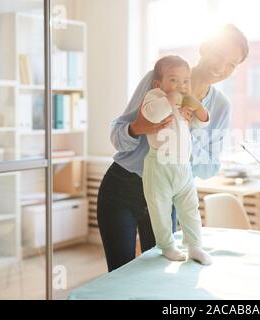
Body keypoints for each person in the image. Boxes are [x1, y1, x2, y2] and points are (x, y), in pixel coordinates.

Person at [97, 24, 249, 272]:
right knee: (119, 274)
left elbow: (210, 166)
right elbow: (117, 132)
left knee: (163, 273)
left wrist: (188, 135)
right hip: (122, 188)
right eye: (219, 54)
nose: (222, 67)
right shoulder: (158, 80)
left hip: (170, 191)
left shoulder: (220, 107)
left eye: (232, 64)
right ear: (204, 47)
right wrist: (139, 127)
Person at [141, 55, 212, 265]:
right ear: (158, 83)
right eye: (173, 80)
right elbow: (151, 115)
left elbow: (202, 123)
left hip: (183, 167)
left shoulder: (186, 100)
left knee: (190, 209)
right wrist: (169, 100)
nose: (180, 85)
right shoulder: (154, 97)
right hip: (159, 165)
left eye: (185, 81)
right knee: (160, 209)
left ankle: (195, 246)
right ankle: (167, 246)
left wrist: (197, 106)